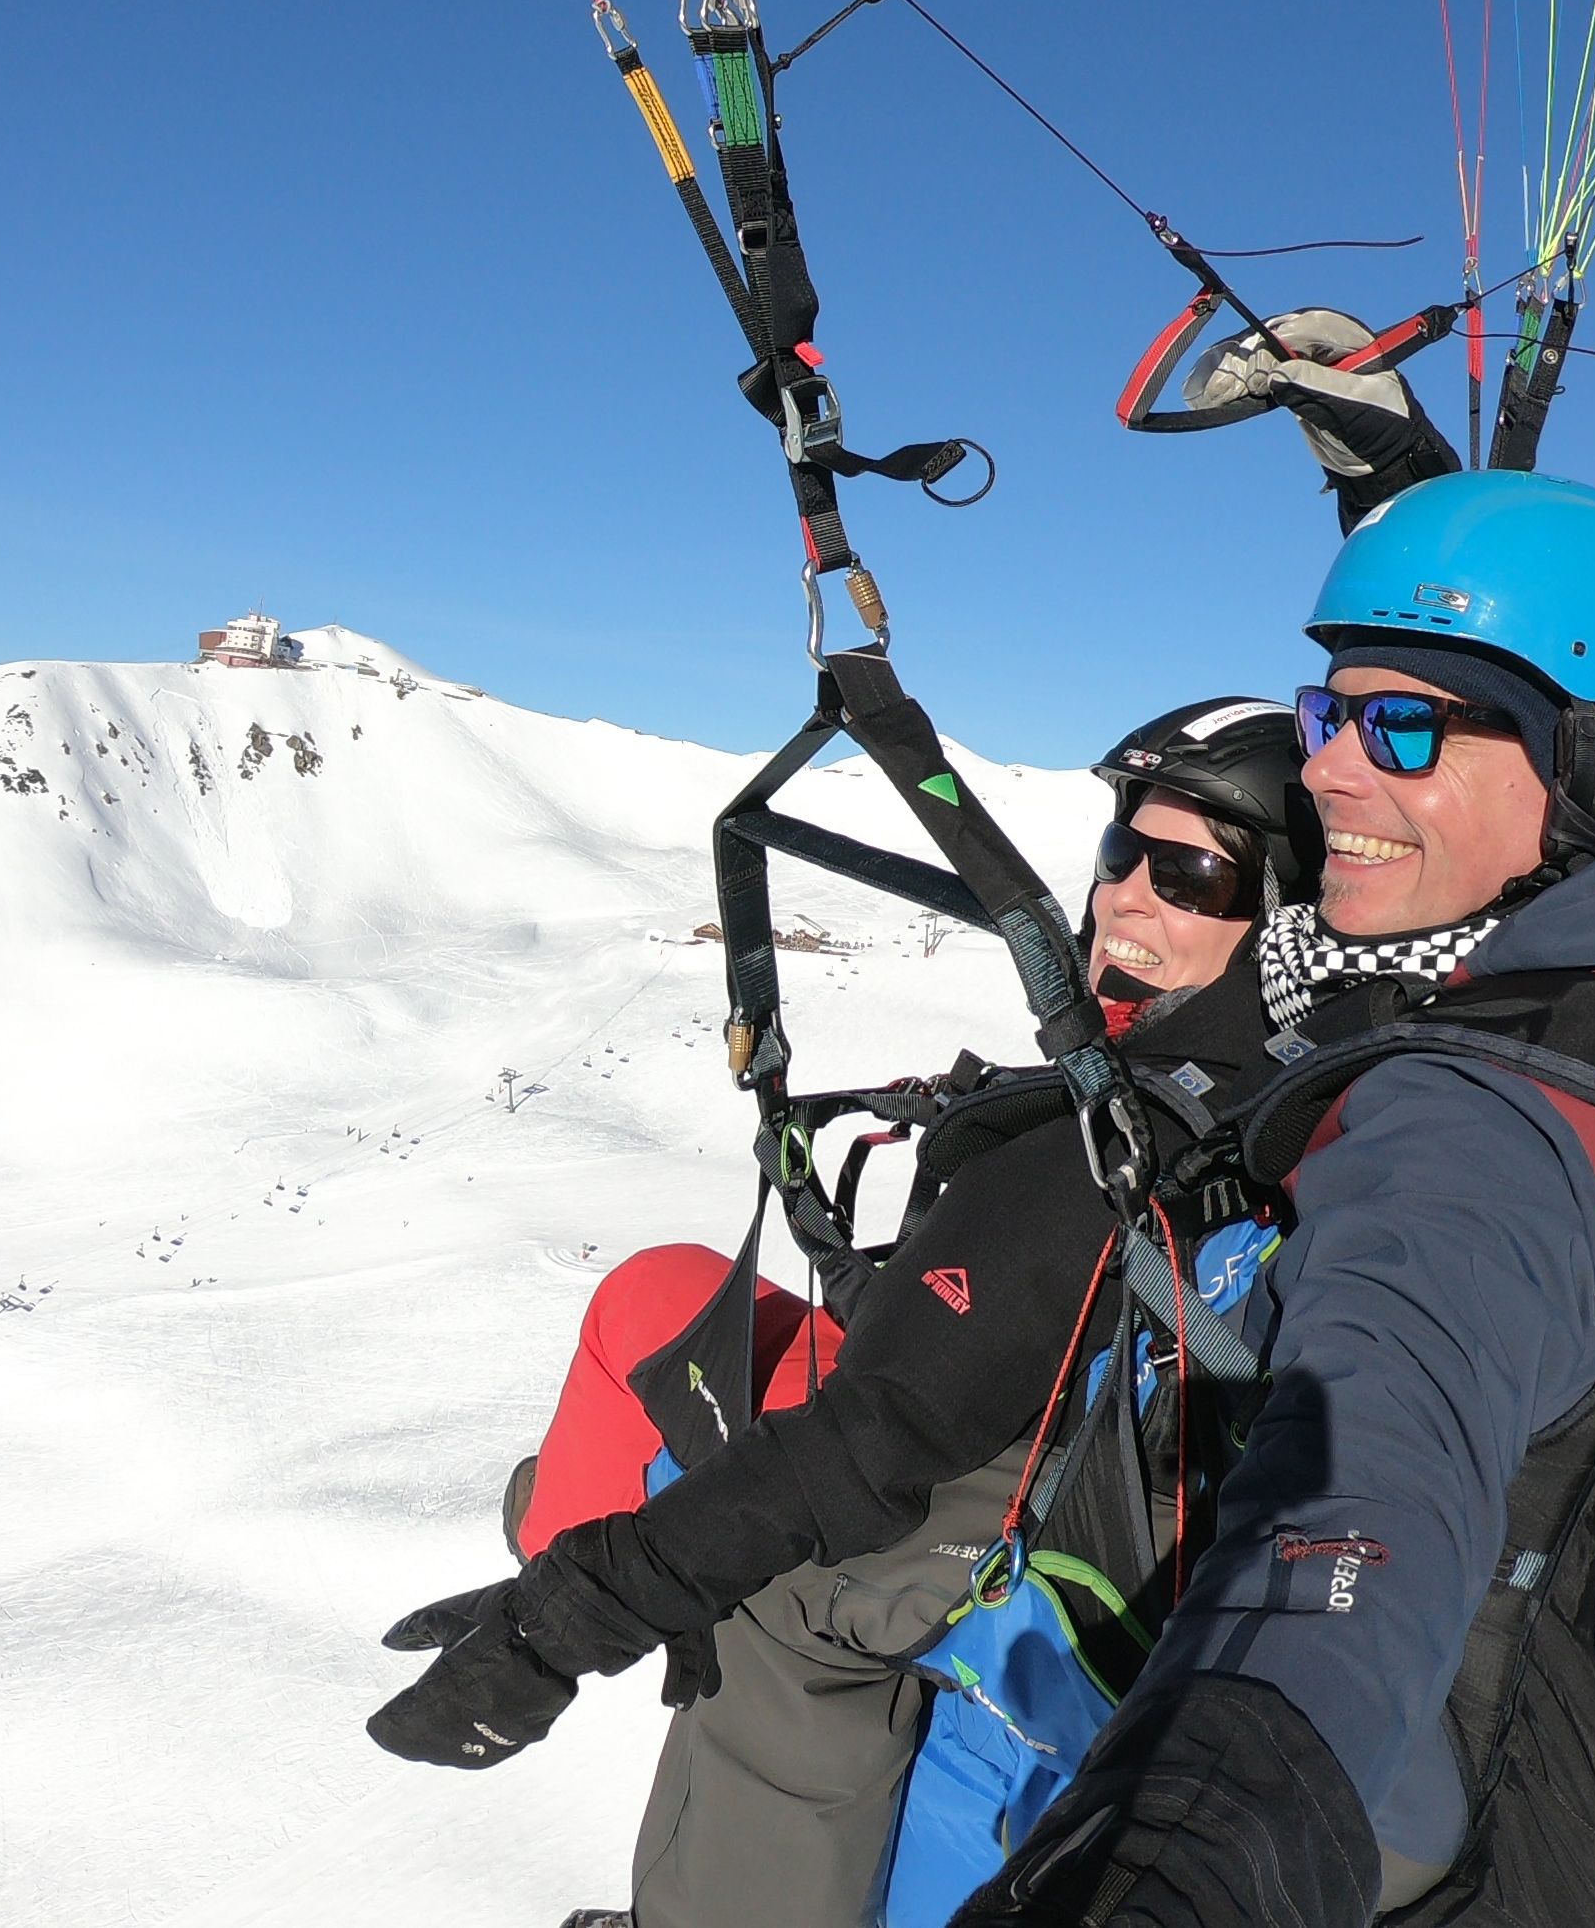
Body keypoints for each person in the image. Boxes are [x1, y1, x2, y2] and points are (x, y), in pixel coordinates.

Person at [960, 469, 1595, 1928]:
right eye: (1326, 713)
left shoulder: (1473, 1118)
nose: (1329, 772)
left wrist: (1206, 1826)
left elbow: (1369, 1484)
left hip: (1431, 1790)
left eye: (1402, 724)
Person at [364, 697, 1324, 1928]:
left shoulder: (1102, 1152)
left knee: (679, 1377)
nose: (1127, 895)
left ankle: (569, 1586)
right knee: (660, 1292)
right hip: (1098, 1406)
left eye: (1191, 873)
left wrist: (563, 1618)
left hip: (1015, 1470)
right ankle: (555, 1530)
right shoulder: (1285, 1065)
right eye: (1119, 853)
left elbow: (868, 1444)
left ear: (1283, 917)